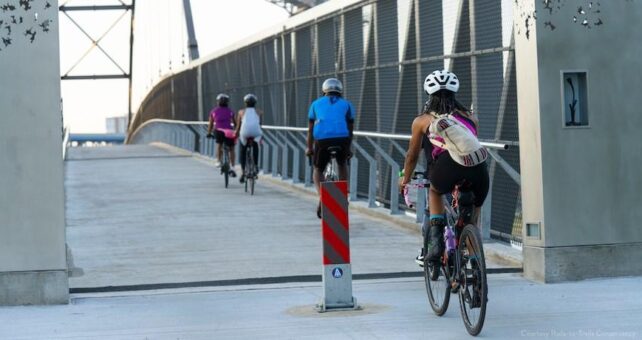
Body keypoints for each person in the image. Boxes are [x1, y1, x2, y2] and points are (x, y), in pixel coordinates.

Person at [399, 70, 489, 266]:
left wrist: (405, 180)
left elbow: (412, 156)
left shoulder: (422, 121)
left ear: (429, 95)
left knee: (435, 191)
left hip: (447, 167)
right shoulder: (471, 117)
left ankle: (436, 241)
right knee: (472, 219)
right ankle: (475, 265)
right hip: (478, 168)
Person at [306, 78, 355, 218]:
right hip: (342, 139)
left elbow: (310, 130)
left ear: (324, 91)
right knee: (342, 164)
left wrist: (309, 148)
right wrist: (348, 149)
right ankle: (343, 194)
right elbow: (350, 129)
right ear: (340, 90)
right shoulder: (347, 104)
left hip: (322, 140)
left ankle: (322, 196)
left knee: (318, 169)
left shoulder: (315, 104)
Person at [235, 93, 263, 183]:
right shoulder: (259, 112)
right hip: (256, 132)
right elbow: (259, 124)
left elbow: (238, 126)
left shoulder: (241, 112)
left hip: (245, 133)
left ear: (245, 103)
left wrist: (236, 134)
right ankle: (255, 166)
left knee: (242, 150)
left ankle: (243, 172)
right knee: (255, 145)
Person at [207, 93, 236, 177]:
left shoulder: (213, 111)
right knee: (231, 148)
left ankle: (218, 161)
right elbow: (235, 123)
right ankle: (232, 166)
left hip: (218, 131)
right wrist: (236, 131)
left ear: (218, 102)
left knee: (219, 144)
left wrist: (209, 133)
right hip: (229, 132)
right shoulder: (231, 111)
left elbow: (211, 124)